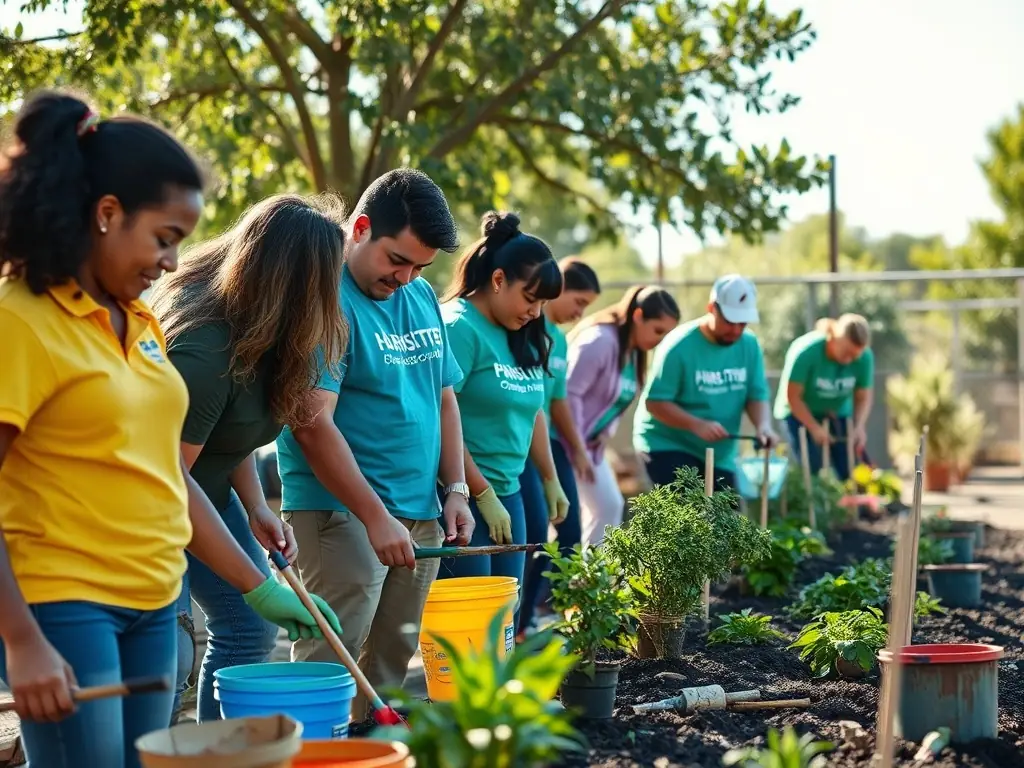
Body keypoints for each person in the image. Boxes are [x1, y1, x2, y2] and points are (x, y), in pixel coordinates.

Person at [0, 91, 338, 768]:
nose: (175, 264)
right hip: (65, 601)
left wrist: (256, 583)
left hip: (152, 598)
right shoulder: (22, 320)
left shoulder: (145, 325)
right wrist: (21, 640)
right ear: (106, 214)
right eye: (164, 238)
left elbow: (167, 474)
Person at [274, 169, 473, 727]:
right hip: (343, 515)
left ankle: (369, 758)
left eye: (418, 267)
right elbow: (313, 423)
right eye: (396, 260)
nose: (405, 277)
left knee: (387, 672)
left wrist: (455, 489)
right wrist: (375, 517)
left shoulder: (420, 296)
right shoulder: (322, 297)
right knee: (328, 665)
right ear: (359, 228)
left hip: (420, 512)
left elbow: (444, 399)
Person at [150, 193, 349, 722]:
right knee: (164, 662)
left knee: (248, 631)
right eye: (329, 280)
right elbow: (166, 476)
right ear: (295, 284)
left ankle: (217, 752)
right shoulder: (205, 350)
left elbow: (226, 433)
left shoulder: (275, 338)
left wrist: (257, 505)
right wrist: (259, 586)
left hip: (205, 495)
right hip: (151, 511)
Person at [438, 211, 570, 621]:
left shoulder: (523, 334)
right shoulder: (460, 328)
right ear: (498, 280)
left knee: (505, 620)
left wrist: (550, 479)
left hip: (508, 493)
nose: (536, 312)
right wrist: (480, 492)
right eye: (531, 299)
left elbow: (533, 412)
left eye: (543, 303)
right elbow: (441, 417)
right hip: (462, 498)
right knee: (471, 625)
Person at [517, 258, 601, 636]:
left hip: (551, 442)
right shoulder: (525, 326)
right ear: (558, 287)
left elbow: (559, 400)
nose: (581, 312)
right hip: (523, 444)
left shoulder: (561, 339)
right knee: (534, 530)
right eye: (579, 301)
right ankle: (521, 620)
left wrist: (578, 449)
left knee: (569, 530)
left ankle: (559, 611)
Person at [634, 274, 777, 492]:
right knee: (688, 514)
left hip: (720, 453)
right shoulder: (679, 345)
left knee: (727, 523)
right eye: (730, 321)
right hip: (669, 444)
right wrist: (696, 424)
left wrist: (763, 426)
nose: (736, 330)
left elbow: (756, 394)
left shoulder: (749, 345)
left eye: (743, 323)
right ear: (712, 308)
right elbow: (655, 403)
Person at [565, 286, 681, 545]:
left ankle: (588, 580)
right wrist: (577, 448)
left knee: (609, 506)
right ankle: (559, 580)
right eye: (658, 330)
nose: (660, 339)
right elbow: (568, 394)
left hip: (589, 449)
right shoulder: (600, 341)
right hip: (565, 446)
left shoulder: (632, 352)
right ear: (638, 315)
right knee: (564, 522)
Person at [774, 314, 874, 481]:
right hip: (797, 412)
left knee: (849, 468)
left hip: (836, 411)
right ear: (833, 337)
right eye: (846, 353)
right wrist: (814, 427)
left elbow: (863, 397)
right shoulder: (806, 352)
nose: (849, 360)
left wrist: (859, 426)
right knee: (811, 466)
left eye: (854, 356)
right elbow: (793, 397)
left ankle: (853, 505)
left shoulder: (865, 357)